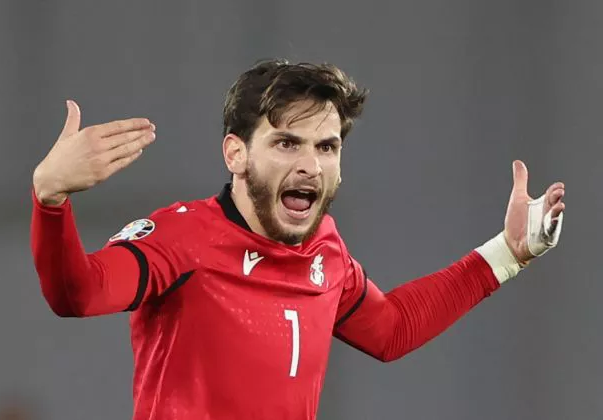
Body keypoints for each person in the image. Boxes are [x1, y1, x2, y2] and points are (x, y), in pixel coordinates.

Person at [30, 59, 566, 420]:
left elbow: (391, 330)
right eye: (287, 143)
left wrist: (506, 254)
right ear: (235, 154)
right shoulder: (182, 237)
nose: (311, 165)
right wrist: (50, 200)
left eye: (327, 147)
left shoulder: (325, 252)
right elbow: (77, 293)